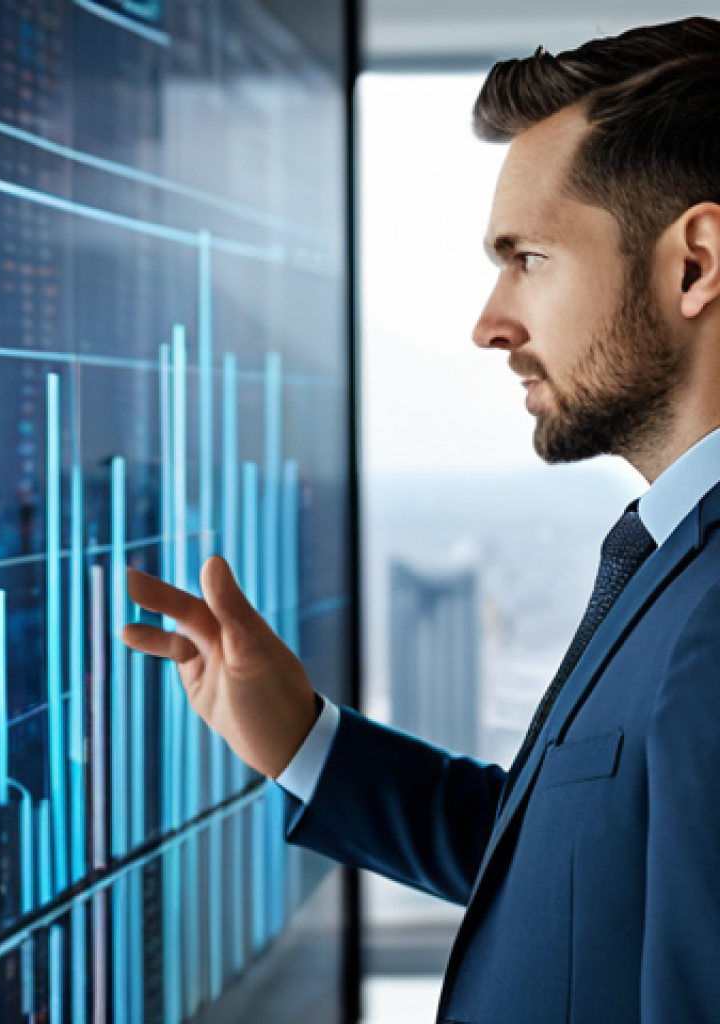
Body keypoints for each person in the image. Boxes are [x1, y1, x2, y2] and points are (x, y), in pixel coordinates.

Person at [121, 17, 720, 1022]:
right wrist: (306, 741)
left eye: (528, 256)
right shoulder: (672, 562)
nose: (489, 321)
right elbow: (564, 866)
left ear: (695, 264)